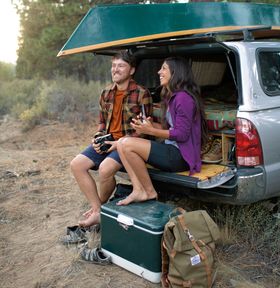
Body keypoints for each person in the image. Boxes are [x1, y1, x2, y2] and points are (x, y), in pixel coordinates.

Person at [70, 51, 153, 227]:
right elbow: (102, 123)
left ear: (132, 70)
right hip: (108, 141)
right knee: (76, 165)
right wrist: (98, 138)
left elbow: (146, 130)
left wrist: (118, 144)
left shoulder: (141, 93)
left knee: (105, 169)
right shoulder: (106, 92)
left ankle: (98, 211)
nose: (115, 69)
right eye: (113, 66)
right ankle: (98, 209)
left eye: (121, 65)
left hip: (128, 145)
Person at [117, 57, 207, 206]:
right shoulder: (172, 97)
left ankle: (149, 192)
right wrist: (150, 125)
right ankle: (138, 189)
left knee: (127, 144)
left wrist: (150, 131)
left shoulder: (183, 98)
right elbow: (171, 129)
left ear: (175, 72)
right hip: (172, 149)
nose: (159, 72)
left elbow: (182, 134)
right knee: (121, 143)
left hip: (181, 156)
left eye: (164, 68)